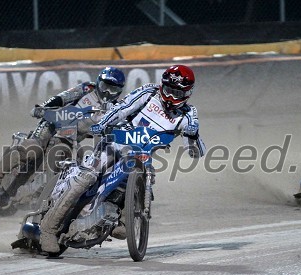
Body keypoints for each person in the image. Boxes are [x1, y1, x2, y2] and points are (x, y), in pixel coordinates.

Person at [39, 64, 206, 253]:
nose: (172, 97)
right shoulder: (148, 92)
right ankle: (48, 230)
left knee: (147, 180)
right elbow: (122, 109)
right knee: (88, 176)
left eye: (178, 93)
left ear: (188, 93)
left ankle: (122, 219)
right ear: (162, 85)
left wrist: (193, 137)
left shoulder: (189, 114)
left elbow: (195, 152)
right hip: (114, 144)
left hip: (142, 156)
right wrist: (103, 124)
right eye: (169, 90)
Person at [0, 67, 126, 210]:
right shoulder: (87, 89)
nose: (107, 92)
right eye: (105, 86)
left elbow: (115, 129)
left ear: (119, 91)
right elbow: (62, 97)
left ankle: (20, 196)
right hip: (51, 124)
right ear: (98, 82)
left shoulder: (116, 109)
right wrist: (42, 107)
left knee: (60, 163)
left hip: (69, 139)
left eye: (113, 90)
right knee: (32, 149)